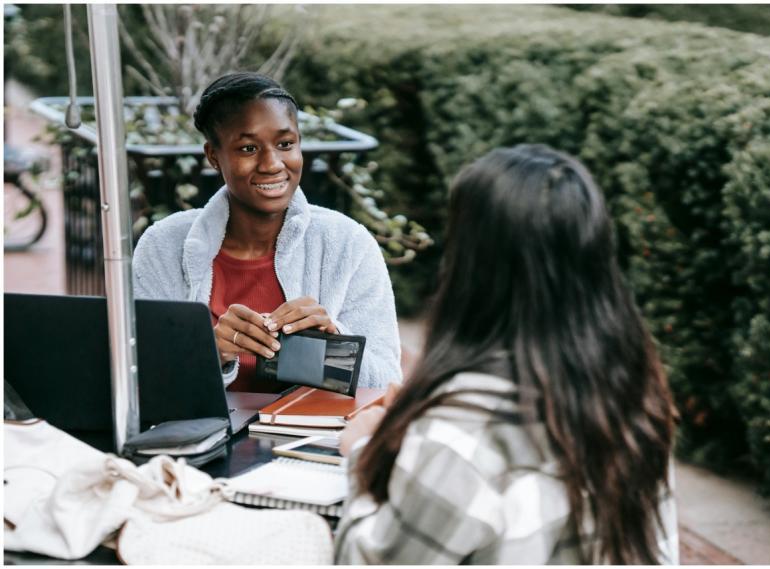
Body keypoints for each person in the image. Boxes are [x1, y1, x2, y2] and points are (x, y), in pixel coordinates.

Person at [335, 144, 678, 564]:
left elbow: (371, 560)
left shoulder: (460, 430)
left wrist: (363, 451)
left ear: (474, 266)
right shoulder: (631, 397)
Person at [132, 73, 401, 392]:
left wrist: (335, 343)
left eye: (286, 144)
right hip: (202, 439)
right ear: (214, 156)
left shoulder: (347, 244)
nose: (272, 163)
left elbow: (387, 383)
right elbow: (140, 379)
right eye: (248, 148)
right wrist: (211, 352)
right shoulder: (163, 245)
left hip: (314, 439)